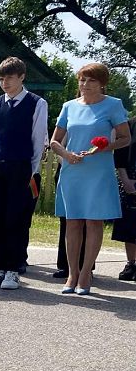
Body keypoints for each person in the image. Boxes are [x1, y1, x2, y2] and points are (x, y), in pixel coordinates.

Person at [51, 62, 132, 295]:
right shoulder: (69, 106)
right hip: (72, 170)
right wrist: (66, 154)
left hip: (98, 170)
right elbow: (55, 141)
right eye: (82, 80)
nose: (85, 84)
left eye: (91, 80)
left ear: (102, 84)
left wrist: (105, 147)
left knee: (93, 221)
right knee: (73, 221)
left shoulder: (113, 105)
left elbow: (125, 138)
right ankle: (71, 273)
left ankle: (86, 274)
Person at [0, 57, 49, 291]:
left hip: (21, 167)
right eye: (1, 78)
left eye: (9, 77)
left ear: (21, 77)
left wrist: (32, 172)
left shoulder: (37, 103)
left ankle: (12, 269)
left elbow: (37, 140)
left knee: (15, 220)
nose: (5, 82)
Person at [114, 116, 136, 281]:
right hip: (129, 179)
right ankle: (131, 263)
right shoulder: (129, 124)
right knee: (129, 226)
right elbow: (120, 156)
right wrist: (125, 180)